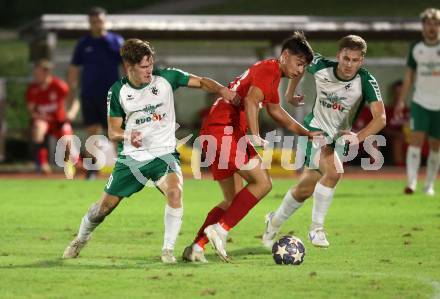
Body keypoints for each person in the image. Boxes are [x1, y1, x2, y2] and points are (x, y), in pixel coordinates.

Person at [62, 39, 238, 263]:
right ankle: (81, 237)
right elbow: (113, 131)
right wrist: (129, 135)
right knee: (103, 208)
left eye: (151, 65)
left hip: (163, 154)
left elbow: (202, 82)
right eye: (144, 67)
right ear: (129, 67)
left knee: (175, 193)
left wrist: (223, 90)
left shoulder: (166, 78)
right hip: (132, 159)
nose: (149, 70)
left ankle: (167, 251)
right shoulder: (118, 91)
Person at [182, 31, 319, 263]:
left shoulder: (271, 75)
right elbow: (251, 101)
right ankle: (220, 229)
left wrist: (306, 133)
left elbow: (276, 112)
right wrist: (255, 135)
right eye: (298, 63)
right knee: (263, 183)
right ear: (285, 56)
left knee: (232, 199)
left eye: (303, 67)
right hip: (225, 130)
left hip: (219, 130)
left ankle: (197, 246)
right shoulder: (269, 70)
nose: (299, 70)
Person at [262, 35, 386, 249]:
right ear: (338, 55)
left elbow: (381, 118)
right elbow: (299, 66)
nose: (349, 64)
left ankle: (273, 222)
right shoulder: (320, 66)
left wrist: (358, 137)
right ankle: (316, 229)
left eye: (355, 60)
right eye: (346, 58)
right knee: (334, 172)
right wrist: (290, 94)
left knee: (304, 190)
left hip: (338, 140)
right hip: (314, 131)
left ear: (361, 61)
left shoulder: (365, 80)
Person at [66, 7, 124, 179]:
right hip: (89, 94)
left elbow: (127, 66)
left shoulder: (116, 41)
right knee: (92, 132)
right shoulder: (83, 44)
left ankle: (121, 170)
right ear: (89, 23)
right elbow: (74, 68)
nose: (97, 24)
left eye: (100, 20)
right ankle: (92, 170)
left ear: (105, 20)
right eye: (93, 21)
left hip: (111, 95)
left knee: (114, 133)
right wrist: (72, 91)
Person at [394, 8, 440, 196]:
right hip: (420, 102)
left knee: (435, 145)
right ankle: (411, 182)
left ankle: (429, 185)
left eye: (436, 23)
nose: (432, 27)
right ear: (423, 27)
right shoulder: (416, 48)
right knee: (416, 140)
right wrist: (401, 101)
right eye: (428, 24)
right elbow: (409, 76)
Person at [26, 59, 78, 178]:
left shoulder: (59, 86)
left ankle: (68, 163)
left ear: (47, 73)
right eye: (35, 74)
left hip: (59, 121)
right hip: (43, 121)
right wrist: (36, 116)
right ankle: (41, 164)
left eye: (38, 73)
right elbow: (31, 110)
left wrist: (71, 112)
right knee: (39, 127)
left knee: (67, 138)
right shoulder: (32, 89)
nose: (35, 76)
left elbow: (74, 101)